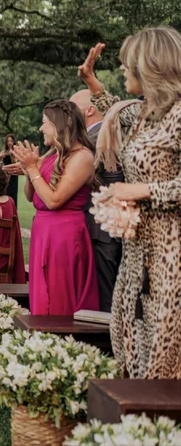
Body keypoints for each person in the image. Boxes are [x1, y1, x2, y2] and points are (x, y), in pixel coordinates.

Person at [82, 31, 181, 379]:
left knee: (161, 348)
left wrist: (141, 191)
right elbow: (115, 112)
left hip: (169, 257)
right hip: (136, 253)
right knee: (126, 339)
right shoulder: (144, 113)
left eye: (128, 61)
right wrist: (91, 82)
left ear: (150, 65)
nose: (122, 67)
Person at [11, 99, 99, 316]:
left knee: (60, 294)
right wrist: (29, 169)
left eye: (44, 123)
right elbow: (32, 197)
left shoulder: (83, 157)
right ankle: (42, 340)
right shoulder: (53, 155)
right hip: (43, 230)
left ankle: (61, 342)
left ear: (59, 125)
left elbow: (54, 200)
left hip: (64, 234)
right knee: (42, 293)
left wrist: (32, 169)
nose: (41, 128)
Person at [69, 84, 124, 313]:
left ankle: (106, 344)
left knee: (104, 293)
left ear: (89, 111)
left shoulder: (100, 136)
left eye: (72, 110)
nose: (68, 117)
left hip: (101, 228)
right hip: (98, 226)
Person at [0, 134, 19, 207]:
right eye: (8, 141)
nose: (9, 142)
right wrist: (0, 156)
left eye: (11, 141)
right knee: (5, 194)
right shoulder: (4, 151)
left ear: (14, 142)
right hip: (5, 176)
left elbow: (15, 163)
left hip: (13, 175)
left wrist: (11, 155)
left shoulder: (16, 152)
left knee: (12, 194)